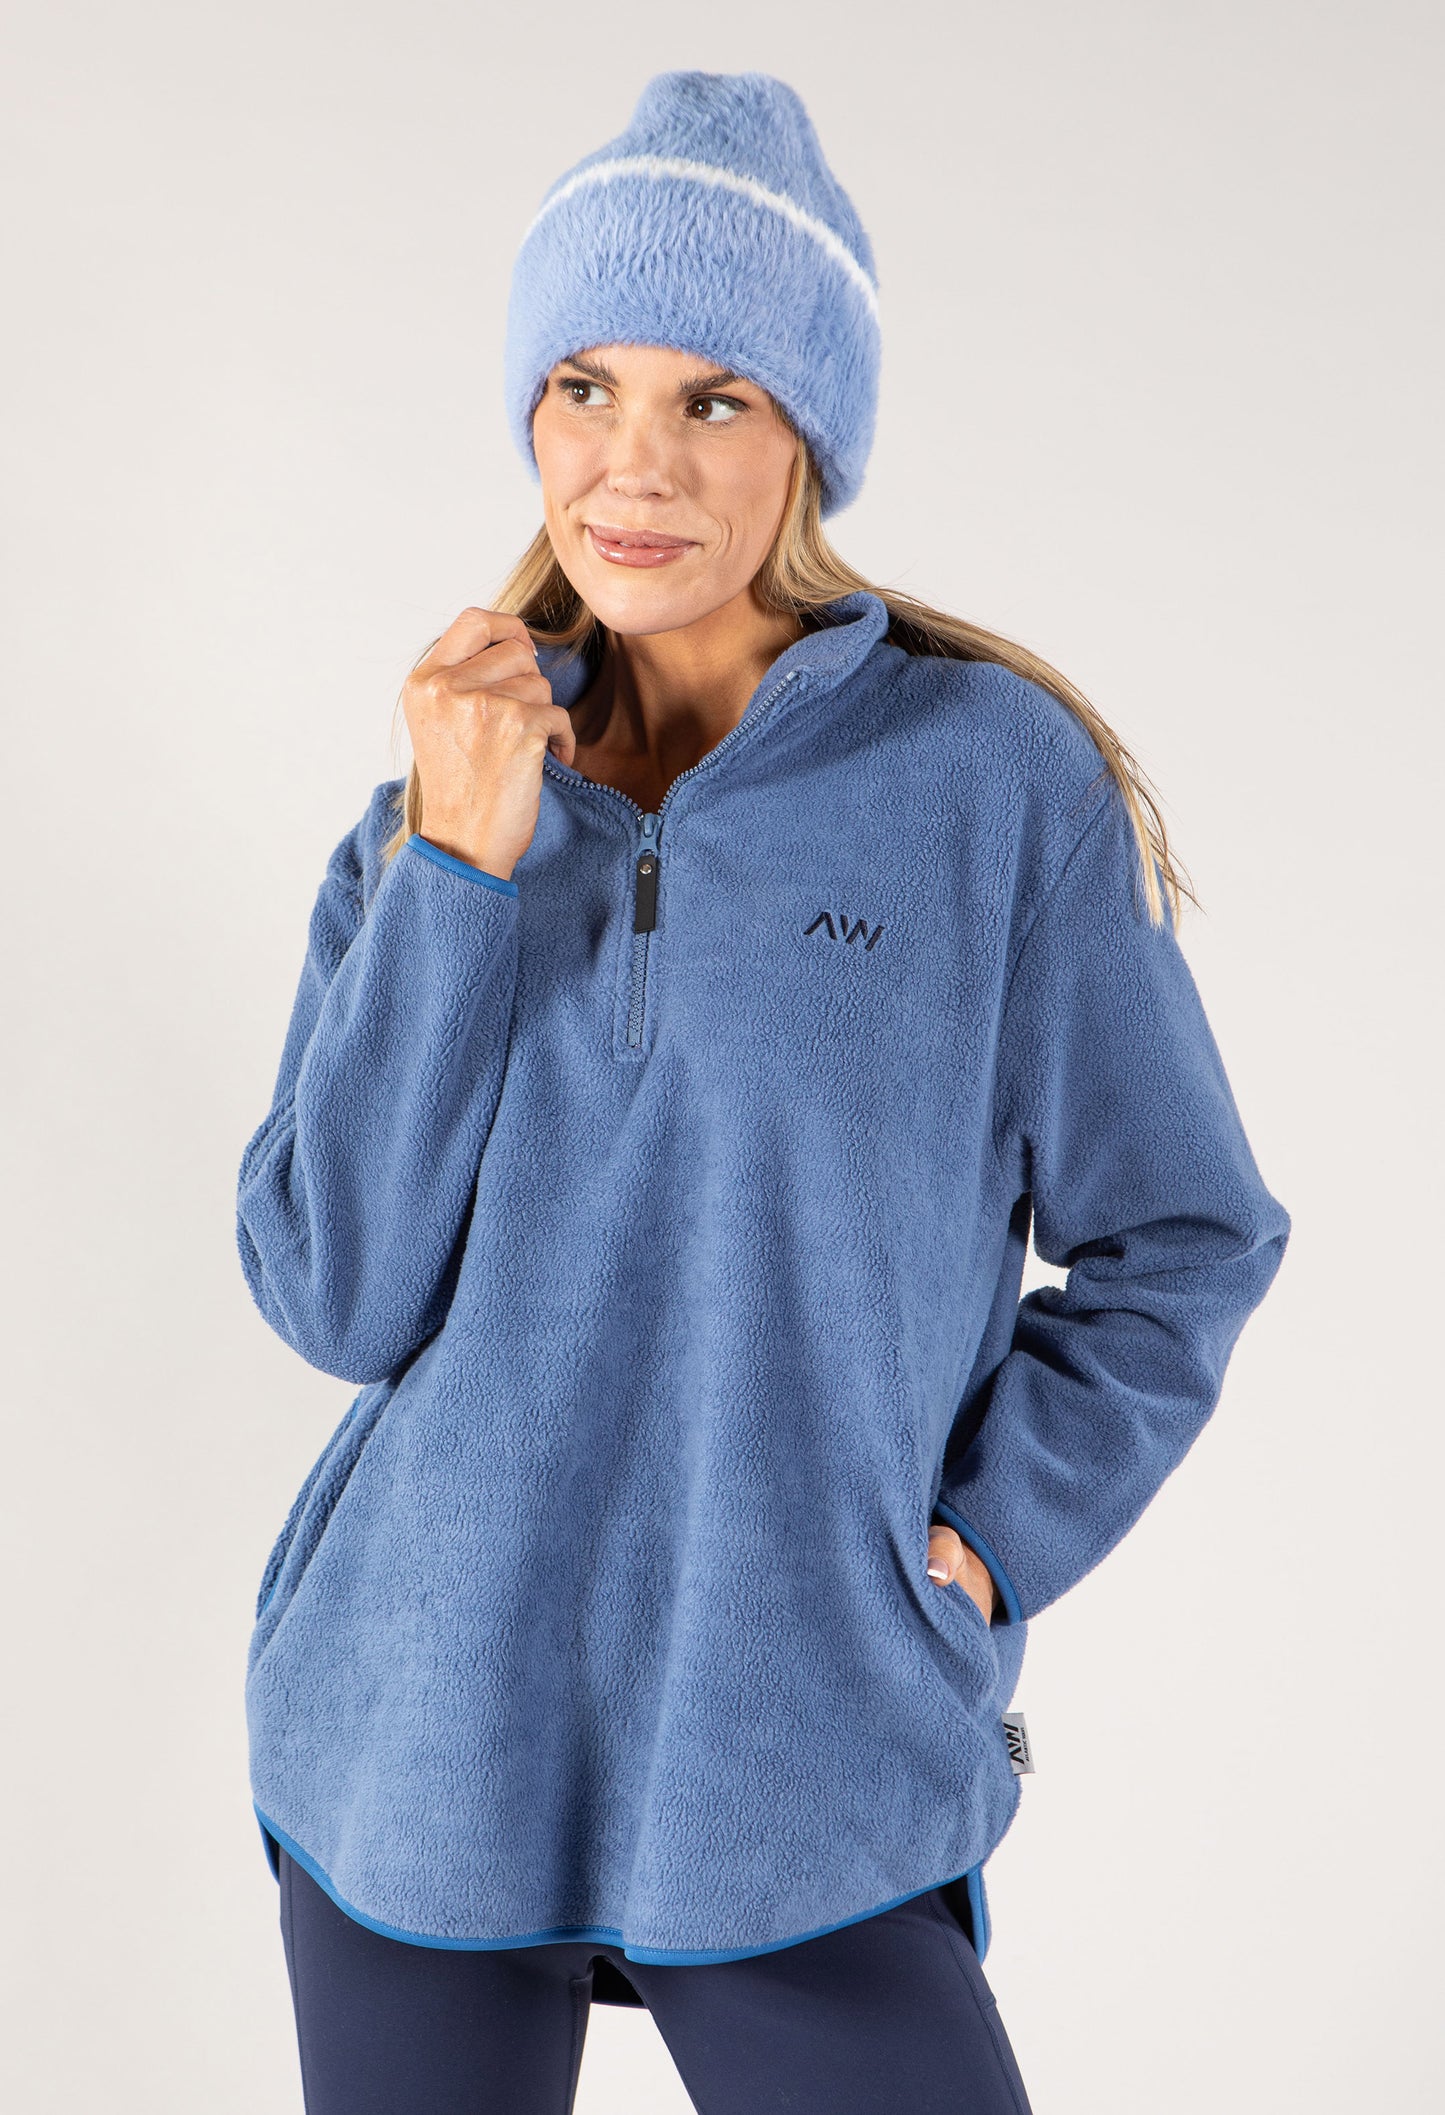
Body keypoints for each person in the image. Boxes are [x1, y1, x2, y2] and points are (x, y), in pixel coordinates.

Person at [235, 69, 1291, 2115]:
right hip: (417, 1723)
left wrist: (984, 1534)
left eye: (711, 398)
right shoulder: (434, 808)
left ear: (808, 433)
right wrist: (459, 866)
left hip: (802, 1737)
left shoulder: (988, 786)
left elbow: (1185, 1236)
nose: (632, 464)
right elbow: (335, 1294)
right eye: (584, 387)